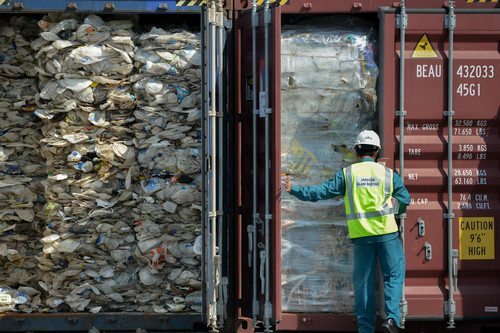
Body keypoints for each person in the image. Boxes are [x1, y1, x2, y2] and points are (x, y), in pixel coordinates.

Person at [285, 130, 410, 333]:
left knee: (363, 283)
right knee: (393, 276)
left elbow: (320, 192)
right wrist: (393, 208)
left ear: (356, 151)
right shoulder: (388, 175)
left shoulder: (348, 175)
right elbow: (405, 200)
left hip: (362, 237)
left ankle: (365, 328)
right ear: (377, 152)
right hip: (387, 235)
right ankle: (391, 320)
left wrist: (296, 190)